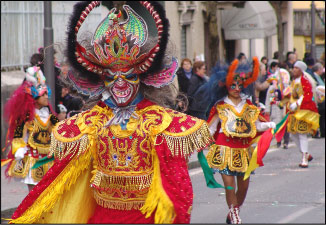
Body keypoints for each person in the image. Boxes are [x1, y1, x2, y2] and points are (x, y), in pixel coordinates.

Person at [9, 1, 213, 224]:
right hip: (102, 216)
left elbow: (177, 185)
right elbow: (61, 178)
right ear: (100, 82)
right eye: (111, 78)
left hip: (146, 217)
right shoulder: (90, 123)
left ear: (144, 78)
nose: (119, 84)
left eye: (128, 76)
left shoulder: (161, 124)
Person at [204, 57, 276, 224]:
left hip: (244, 151)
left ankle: (234, 210)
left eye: (239, 85)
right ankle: (234, 213)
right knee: (230, 186)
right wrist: (199, 142)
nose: (236, 88)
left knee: (243, 187)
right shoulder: (220, 106)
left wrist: (271, 125)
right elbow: (211, 128)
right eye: (233, 85)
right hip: (224, 149)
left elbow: (257, 125)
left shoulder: (249, 105)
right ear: (226, 86)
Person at [3, 66, 59, 192]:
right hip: (33, 161)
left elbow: (60, 131)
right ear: (35, 97)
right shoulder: (26, 117)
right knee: (33, 198)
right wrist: (19, 151)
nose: (46, 97)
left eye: (46, 94)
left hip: (49, 160)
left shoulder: (50, 115)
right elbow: (18, 137)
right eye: (42, 94)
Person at [287, 61, 319, 168]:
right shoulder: (293, 81)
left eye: (296, 68)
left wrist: (297, 103)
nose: (294, 70)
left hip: (303, 111)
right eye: (293, 68)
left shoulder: (304, 80)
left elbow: (307, 93)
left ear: (300, 70)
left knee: (302, 133)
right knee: (293, 133)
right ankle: (305, 153)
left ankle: (304, 157)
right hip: (294, 112)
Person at [312, 63, 325, 138]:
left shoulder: (320, 77)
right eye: (321, 69)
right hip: (317, 99)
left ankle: (323, 131)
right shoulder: (314, 77)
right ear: (318, 69)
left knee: (322, 116)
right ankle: (316, 132)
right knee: (318, 116)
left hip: (322, 99)